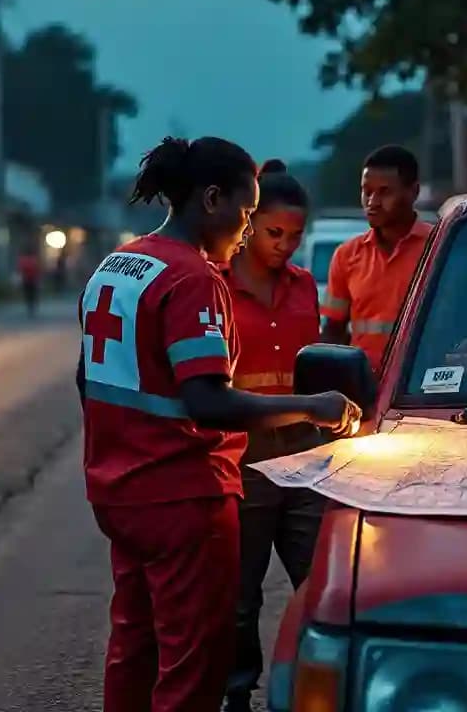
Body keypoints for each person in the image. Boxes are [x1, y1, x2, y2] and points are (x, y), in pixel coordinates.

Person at [78, 136, 361, 712]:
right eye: (247, 211)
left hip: (120, 494)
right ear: (212, 199)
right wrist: (313, 406)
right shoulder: (194, 278)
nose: (248, 226)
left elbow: (87, 379)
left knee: (134, 645)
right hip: (182, 498)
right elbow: (208, 400)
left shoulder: (120, 264)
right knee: (193, 665)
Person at [218, 160, 328, 711]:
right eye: (273, 233)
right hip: (244, 459)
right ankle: (238, 692)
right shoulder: (216, 288)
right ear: (249, 224)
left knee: (322, 585)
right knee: (240, 597)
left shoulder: (306, 287)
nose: (285, 245)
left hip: (307, 457)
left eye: (295, 235)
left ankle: (322, 688)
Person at [321, 144, 433, 375]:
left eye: (384, 192)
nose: (372, 201)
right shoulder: (346, 255)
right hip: (363, 389)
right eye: (366, 191)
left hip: (422, 386)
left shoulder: (437, 246)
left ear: (413, 192)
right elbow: (333, 332)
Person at [18, 248, 42, 317]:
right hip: (33, 280)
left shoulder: (23, 260)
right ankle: (32, 305)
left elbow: (21, 270)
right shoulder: (34, 260)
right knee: (33, 293)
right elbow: (38, 270)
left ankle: (30, 305)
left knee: (28, 293)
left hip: (26, 280)